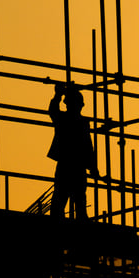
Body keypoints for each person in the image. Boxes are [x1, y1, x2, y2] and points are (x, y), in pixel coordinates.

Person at [47, 82, 100, 219]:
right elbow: (89, 147)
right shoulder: (66, 120)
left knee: (75, 202)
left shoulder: (78, 122)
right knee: (64, 201)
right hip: (71, 166)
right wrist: (58, 95)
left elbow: (88, 146)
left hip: (73, 166)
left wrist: (58, 94)